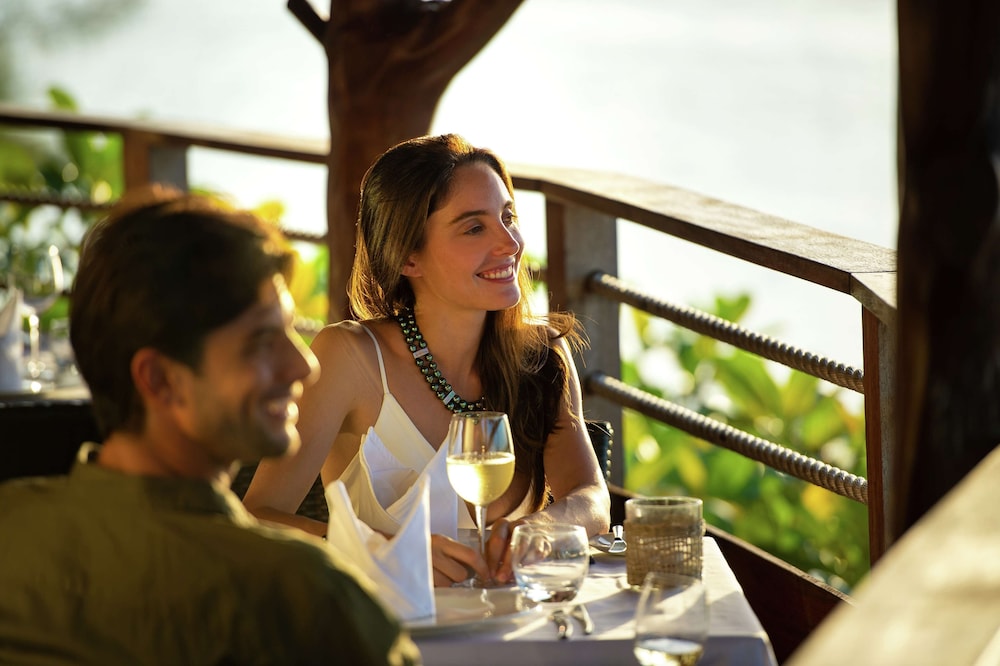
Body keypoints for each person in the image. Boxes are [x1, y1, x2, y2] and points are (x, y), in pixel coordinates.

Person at [0, 187, 421, 665]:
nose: (305, 366)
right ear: (160, 380)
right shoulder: (301, 599)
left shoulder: (13, 533)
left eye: (289, 330)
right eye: (261, 341)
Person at [243, 134, 610, 586]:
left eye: (508, 217)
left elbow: (592, 498)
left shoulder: (540, 354)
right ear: (408, 257)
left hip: (514, 621)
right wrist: (381, 551)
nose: (510, 244)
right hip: (385, 622)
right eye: (474, 228)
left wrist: (540, 528)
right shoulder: (351, 358)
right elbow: (258, 515)